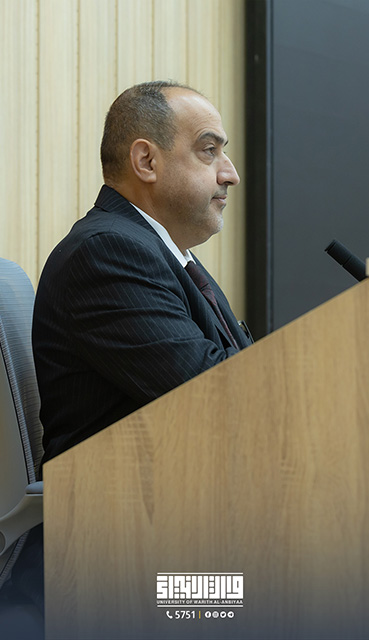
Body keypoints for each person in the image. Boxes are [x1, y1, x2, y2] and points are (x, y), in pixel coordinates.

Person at [31, 80, 253, 465]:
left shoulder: (163, 254)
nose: (230, 174)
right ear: (146, 162)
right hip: (128, 496)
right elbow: (213, 397)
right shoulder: (109, 254)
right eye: (209, 151)